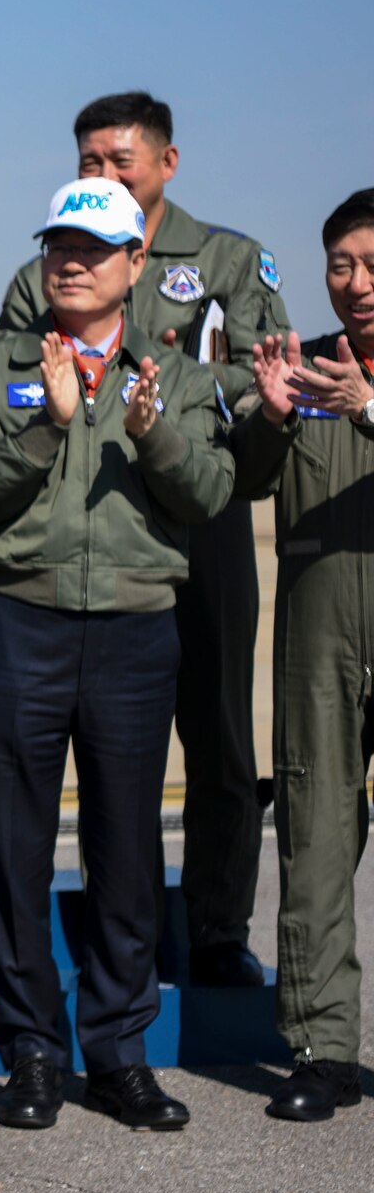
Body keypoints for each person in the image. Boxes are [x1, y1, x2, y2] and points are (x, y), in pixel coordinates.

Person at [0, 178, 233, 1133]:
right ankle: (30, 1049)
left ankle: (119, 1052)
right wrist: (49, 425)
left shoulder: (180, 379)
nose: (72, 260)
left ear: (134, 264)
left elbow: (208, 496)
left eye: (95, 247)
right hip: (21, 622)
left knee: (125, 847)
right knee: (15, 846)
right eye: (59, 244)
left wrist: (152, 439)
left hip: (135, 631)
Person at [0, 92, 287, 986]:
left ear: (166, 162)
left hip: (202, 510)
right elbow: (11, 375)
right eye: (90, 158)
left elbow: (264, 368)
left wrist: (177, 385)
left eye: (121, 158)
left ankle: (217, 923)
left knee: (219, 730)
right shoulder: (44, 271)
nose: (104, 171)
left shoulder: (228, 258)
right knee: (107, 749)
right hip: (94, 516)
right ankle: (111, 935)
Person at [231, 187, 374, 1122]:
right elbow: (236, 481)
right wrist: (270, 414)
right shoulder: (308, 368)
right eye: (341, 265)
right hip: (321, 635)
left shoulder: (353, 389)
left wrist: (371, 406)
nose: (355, 284)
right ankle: (322, 1046)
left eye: (372, 265)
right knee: (316, 830)